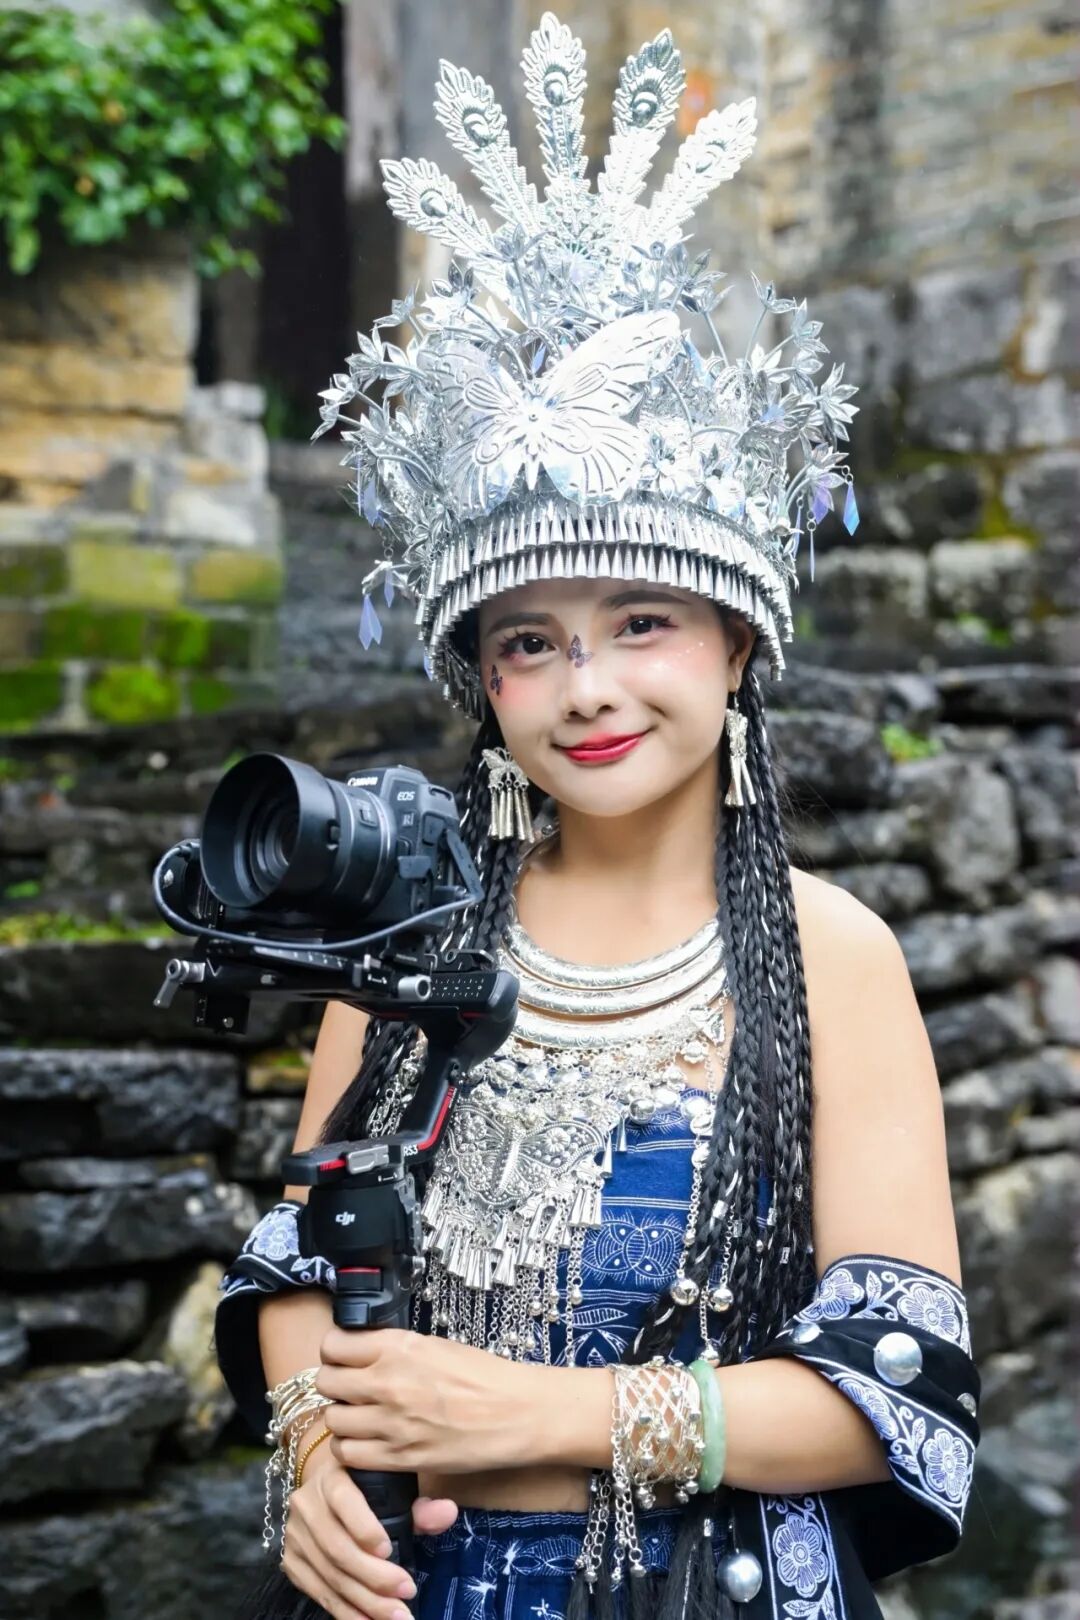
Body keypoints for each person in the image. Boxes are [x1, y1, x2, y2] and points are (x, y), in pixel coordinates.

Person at [213, 15, 981, 1619]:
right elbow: (296, 1257)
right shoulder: (412, 939)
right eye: (530, 644)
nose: (588, 689)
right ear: (482, 681)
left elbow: (895, 1393)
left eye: (641, 623)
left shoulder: (831, 959)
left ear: (738, 645)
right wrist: (308, 1448)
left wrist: (546, 1416)